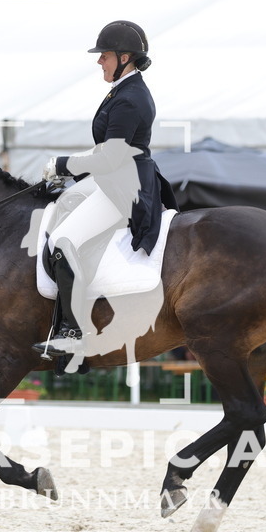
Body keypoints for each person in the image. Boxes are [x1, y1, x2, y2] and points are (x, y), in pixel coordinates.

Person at [33, 20, 178, 359]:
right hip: (114, 179)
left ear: (125, 58)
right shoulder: (122, 90)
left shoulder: (130, 98)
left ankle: (73, 333)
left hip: (124, 188)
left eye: (105, 55)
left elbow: (112, 156)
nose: (99, 61)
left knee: (62, 242)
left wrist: (63, 164)